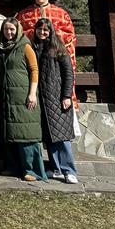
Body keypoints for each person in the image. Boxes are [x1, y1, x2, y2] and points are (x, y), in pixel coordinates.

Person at [0, 17, 46, 182]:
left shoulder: (25, 46)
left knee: (26, 133)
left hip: (24, 95)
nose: (9, 32)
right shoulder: (0, 49)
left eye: (12, 29)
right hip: (7, 96)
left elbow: (34, 70)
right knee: (10, 133)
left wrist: (32, 93)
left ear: (18, 31)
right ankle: (13, 167)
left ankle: (31, 170)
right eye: (6, 29)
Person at [31, 18, 78, 183]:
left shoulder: (58, 48)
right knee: (50, 137)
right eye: (39, 29)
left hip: (57, 98)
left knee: (62, 137)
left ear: (50, 31)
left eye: (45, 30)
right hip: (43, 100)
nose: (42, 32)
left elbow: (68, 73)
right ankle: (56, 168)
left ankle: (69, 170)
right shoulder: (34, 47)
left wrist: (67, 95)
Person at [16, 0, 77, 105]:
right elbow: (18, 35)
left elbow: (70, 36)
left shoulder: (61, 13)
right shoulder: (23, 15)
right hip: (34, 56)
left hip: (54, 59)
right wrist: (33, 33)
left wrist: (53, 34)